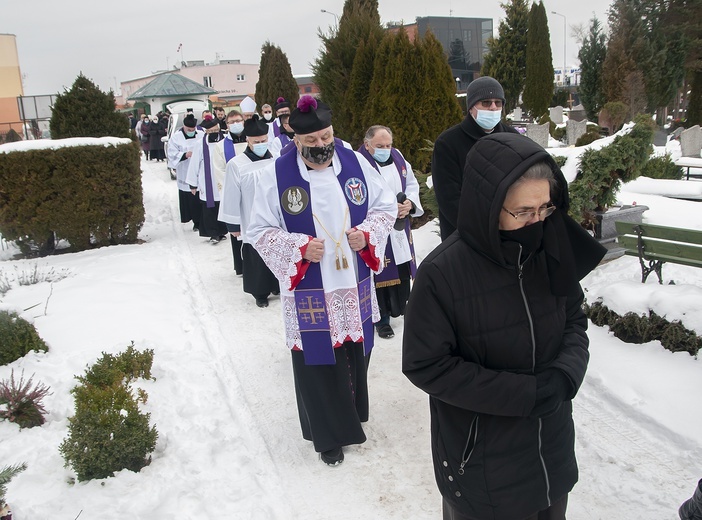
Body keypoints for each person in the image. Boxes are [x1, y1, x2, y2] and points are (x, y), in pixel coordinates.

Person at [402, 133, 606, 520]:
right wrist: (524, 394)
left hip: (551, 451)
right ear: (488, 206)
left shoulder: (550, 248)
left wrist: (565, 374)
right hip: (482, 464)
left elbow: (574, 319)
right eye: (523, 212)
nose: (538, 221)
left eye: (545, 207)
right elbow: (426, 364)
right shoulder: (443, 274)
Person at [248, 95, 396, 466]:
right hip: (311, 284)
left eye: (326, 136)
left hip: (351, 278)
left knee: (353, 353)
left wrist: (368, 233)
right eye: (311, 141)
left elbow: (385, 206)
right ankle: (327, 435)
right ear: (295, 139)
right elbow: (258, 230)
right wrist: (297, 248)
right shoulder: (275, 175)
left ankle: (352, 415)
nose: (321, 145)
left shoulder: (356, 163)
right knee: (317, 359)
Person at [432, 76, 518, 241]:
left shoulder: (513, 138)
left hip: (508, 234)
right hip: (464, 236)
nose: (493, 107)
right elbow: (449, 198)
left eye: (498, 102)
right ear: (471, 107)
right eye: (485, 102)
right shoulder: (448, 143)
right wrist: (481, 231)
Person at [358, 125, 423, 339]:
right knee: (380, 276)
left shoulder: (398, 157)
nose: (386, 149)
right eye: (380, 146)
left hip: (400, 226)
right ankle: (382, 319)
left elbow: (411, 183)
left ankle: (402, 310)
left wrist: (409, 203)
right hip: (377, 228)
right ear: (367, 145)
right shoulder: (358, 163)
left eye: (389, 145)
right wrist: (387, 210)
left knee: (402, 270)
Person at [218, 115, 279, 307]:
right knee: (256, 253)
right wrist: (233, 224)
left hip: (275, 216)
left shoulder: (276, 160)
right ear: (248, 141)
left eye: (263, 141)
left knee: (277, 250)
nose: (261, 144)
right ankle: (260, 292)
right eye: (256, 142)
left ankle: (278, 284)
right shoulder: (237, 164)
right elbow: (230, 195)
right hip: (250, 216)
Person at [186, 117, 229, 243]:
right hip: (207, 181)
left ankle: (222, 231)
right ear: (206, 131)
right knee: (210, 208)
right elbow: (194, 164)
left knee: (222, 206)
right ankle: (213, 233)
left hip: (223, 179)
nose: (214, 132)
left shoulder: (226, 141)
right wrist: (192, 184)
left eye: (216, 129)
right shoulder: (200, 144)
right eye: (211, 131)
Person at [216, 110, 248, 273]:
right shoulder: (220, 146)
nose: (236, 124)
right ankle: (242, 266)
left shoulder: (253, 140)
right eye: (232, 122)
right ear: (226, 125)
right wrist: (234, 188)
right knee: (238, 231)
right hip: (235, 195)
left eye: (238, 120)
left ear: (244, 121)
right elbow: (219, 171)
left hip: (253, 195)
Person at [167, 113, 202, 232]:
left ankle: (201, 220)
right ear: (184, 127)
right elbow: (171, 153)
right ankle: (194, 220)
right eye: (189, 130)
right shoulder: (176, 138)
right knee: (190, 198)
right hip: (185, 170)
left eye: (193, 129)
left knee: (200, 197)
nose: (192, 131)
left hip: (199, 171)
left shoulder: (201, 135)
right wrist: (184, 155)